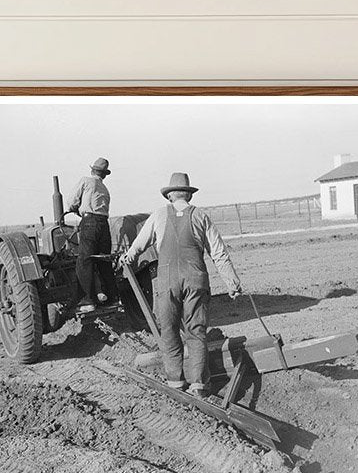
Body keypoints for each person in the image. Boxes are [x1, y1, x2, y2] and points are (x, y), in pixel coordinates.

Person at [122, 172, 242, 396]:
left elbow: (138, 246)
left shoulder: (158, 215)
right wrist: (232, 283)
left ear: (170, 196)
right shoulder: (201, 216)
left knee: (168, 330)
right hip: (196, 278)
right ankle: (198, 384)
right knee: (196, 331)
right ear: (188, 195)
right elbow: (218, 253)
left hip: (167, 281)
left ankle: (176, 381)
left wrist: (127, 257)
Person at [65, 157, 116, 312]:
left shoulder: (86, 181)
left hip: (90, 223)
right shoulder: (104, 189)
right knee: (104, 260)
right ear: (104, 175)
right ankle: (112, 298)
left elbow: (71, 201)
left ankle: (87, 301)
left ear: (92, 170)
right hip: (104, 225)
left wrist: (75, 208)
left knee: (84, 261)